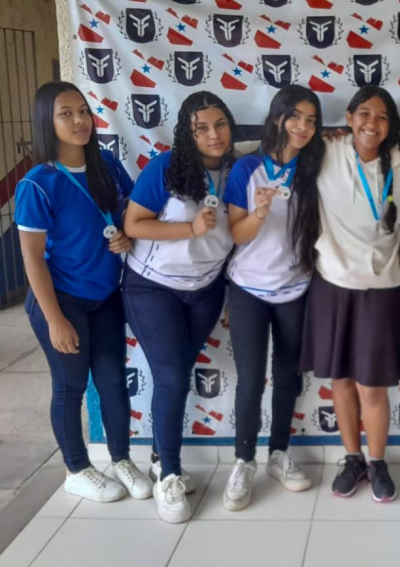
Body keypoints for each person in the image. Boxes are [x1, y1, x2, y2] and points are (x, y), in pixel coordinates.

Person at [15, 81, 151, 502]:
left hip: (106, 293)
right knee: (70, 386)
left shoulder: (107, 164)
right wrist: (55, 319)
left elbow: (130, 217)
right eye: (65, 114)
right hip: (61, 299)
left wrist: (126, 240)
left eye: (83, 111)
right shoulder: (38, 184)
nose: (79, 121)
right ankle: (76, 468)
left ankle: (122, 459)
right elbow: (33, 258)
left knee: (112, 382)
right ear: (47, 122)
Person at [122, 92, 236, 523]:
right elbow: (134, 224)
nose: (213, 134)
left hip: (205, 290)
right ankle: (168, 474)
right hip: (153, 289)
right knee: (171, 377)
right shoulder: (166, 167)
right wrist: (189, 227)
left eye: (220, 124)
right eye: (201, 127)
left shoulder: (239, 168)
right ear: (187, 132)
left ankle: (158, 455)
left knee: (178, 375)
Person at [300, 86, 400, 503]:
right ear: (348, 119)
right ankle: (352, 458)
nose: (372, 123)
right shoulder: (327, 152)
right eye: (363, 114)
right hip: (331, 284)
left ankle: (378, 461)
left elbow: (399, 227)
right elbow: (277, 147)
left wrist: (399, 253)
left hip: (381, 289)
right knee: (341, 380)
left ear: (391, 126)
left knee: (373, 386)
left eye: (382, 116)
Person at [220, 85, 323, 511]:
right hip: (247, 291)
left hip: (296, 290)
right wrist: (259, 213)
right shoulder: (247, 169)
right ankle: (243, 460)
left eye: (312, 120)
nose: (303, 126)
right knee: (250, 380)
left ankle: (279, 454)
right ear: (279, 117)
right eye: (296, 116)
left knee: (287, 376)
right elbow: (235, 234)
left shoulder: (316, 168)